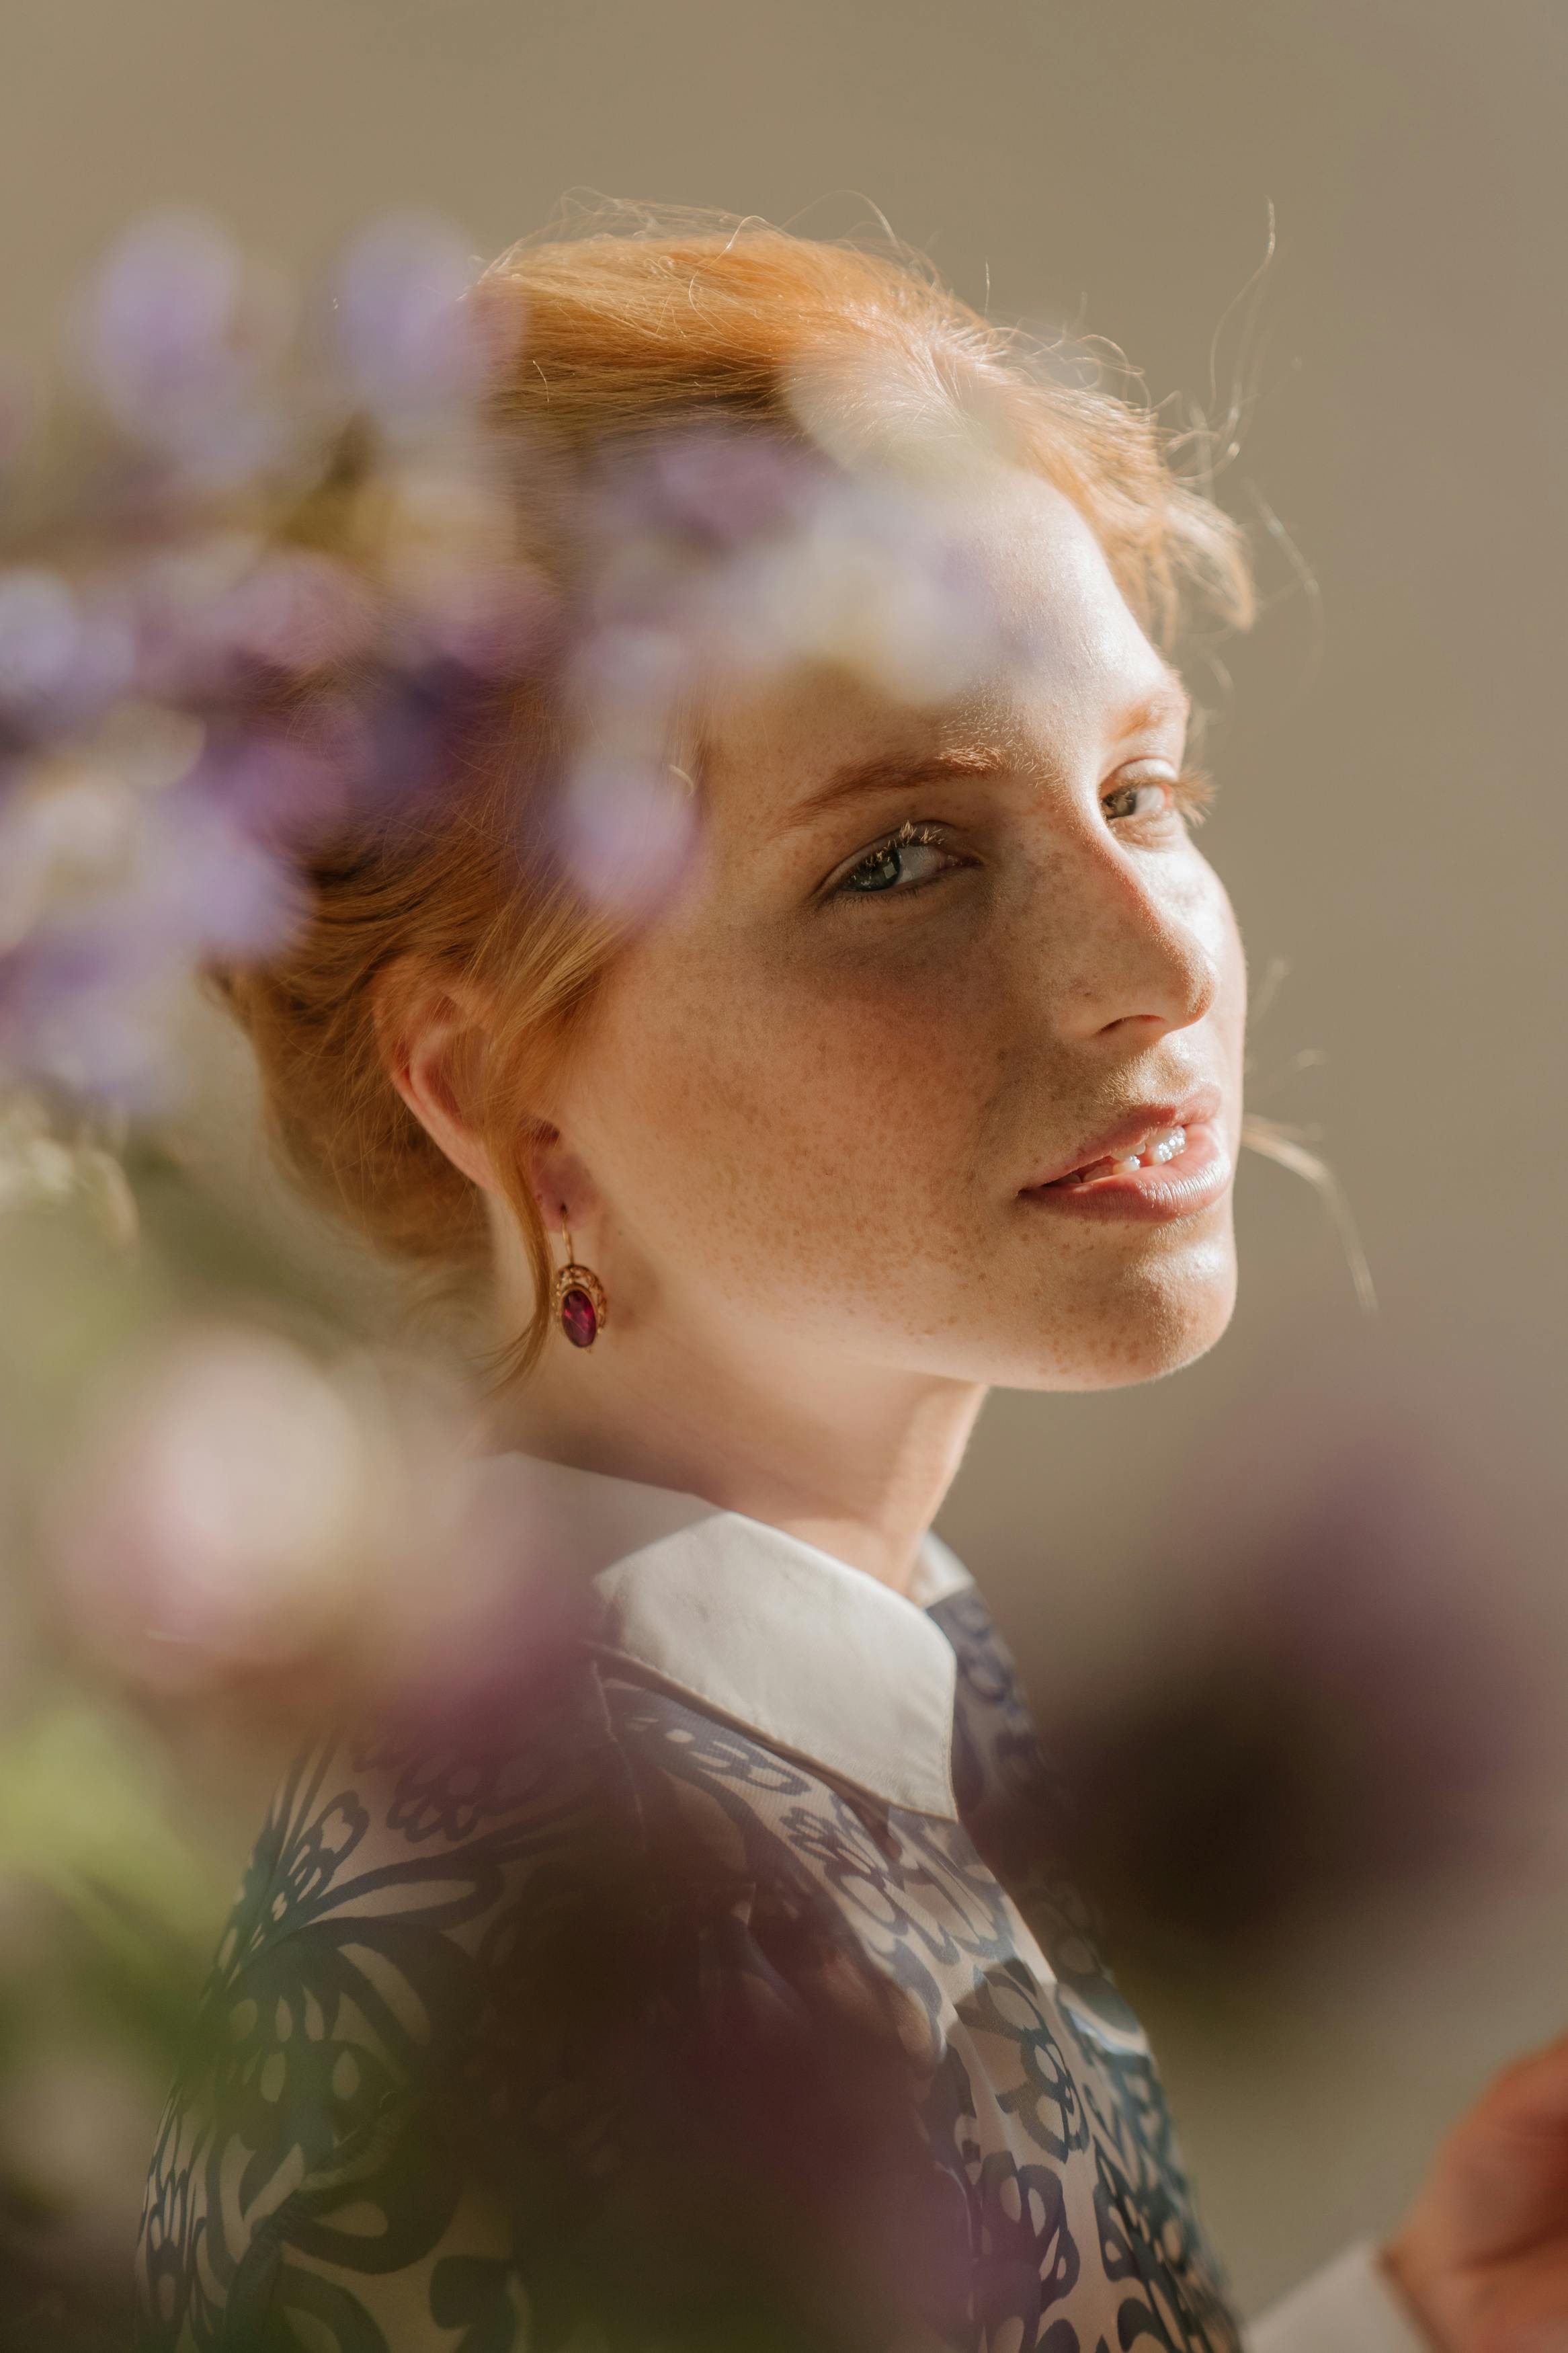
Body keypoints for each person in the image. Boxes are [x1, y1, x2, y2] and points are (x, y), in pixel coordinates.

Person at [133, 212, 1568, 2353]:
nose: (1161, 954)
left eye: (1143, 787)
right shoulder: (542, 1947)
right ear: (491, 1078)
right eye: (901, 857)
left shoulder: (815, 1725)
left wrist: (1422, 2323)